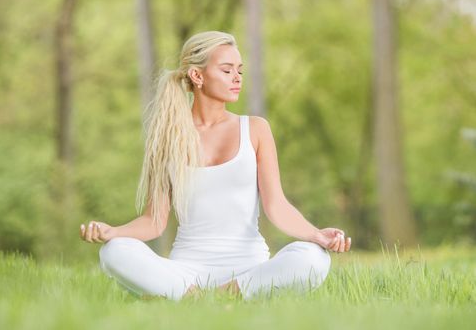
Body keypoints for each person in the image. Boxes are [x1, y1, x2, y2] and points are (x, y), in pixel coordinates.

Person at [79, 31, 352, 301]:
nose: (237, 78)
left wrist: (316, 235)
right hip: (186, 272)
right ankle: (197, 295)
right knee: (113, 252)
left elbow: (276, 206)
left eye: (239, 71)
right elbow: (154, 221)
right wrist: (113, 232)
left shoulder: (255, 129)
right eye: (226, 70)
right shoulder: (168, 137)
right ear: (197, 76)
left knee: (314, 258)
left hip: (250, 269)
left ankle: (220, 295)